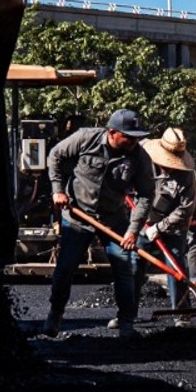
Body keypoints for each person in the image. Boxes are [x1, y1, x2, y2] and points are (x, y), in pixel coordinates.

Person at [45, 108, 156, 339]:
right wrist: (57, 190)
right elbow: (55, 155)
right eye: (129, 136)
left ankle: (126, 323)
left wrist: (133, 231)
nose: (134, 141)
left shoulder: (139, 158)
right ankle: (55, 315)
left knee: (125, 269)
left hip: (113, 219)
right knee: (65, 268)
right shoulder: (86, 138)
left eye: (137, 137)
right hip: (77, 216)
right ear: (113, 132)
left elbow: (146, 195)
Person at [140, 127, 196, 310]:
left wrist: (159, 227)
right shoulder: (142, 160)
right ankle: (126, 314)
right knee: (133, 267)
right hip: (141, 223)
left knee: (176, 267)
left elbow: (185, 209)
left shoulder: (187, 176)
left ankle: (182, 313)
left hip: (173, 227)